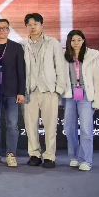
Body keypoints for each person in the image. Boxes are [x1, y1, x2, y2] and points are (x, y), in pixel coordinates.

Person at [22, 13, 67, 169]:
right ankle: (34, 154)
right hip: (29, 91)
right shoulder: (22, 45)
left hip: (49, 90)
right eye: (29, 24)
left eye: (35, 24)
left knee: (50, 125)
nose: (32, 27)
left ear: (42, 25)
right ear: (26, 27)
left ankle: (49, 156)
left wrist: (58, 89)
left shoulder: (53, 43)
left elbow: (60, 66)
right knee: (30, 125)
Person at [61, 30, 99, 171]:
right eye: (73, 40)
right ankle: (73, 157)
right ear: (69, 42)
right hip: (70, 94)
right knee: (69, 128)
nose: (76, 43)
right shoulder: (64, 56)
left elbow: (98, 79)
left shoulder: (92, 56)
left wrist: (98, 100)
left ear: (84, 40)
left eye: (79, 40)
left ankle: (86, 160)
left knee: (86, 129)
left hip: (86, 93)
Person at [0, 18, 26, 167]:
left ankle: (11, 154)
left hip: (12, 91)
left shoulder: (16, 47)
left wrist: (21, 91)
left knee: (12, 124)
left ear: (9, 30)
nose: (2, 30)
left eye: (5, 28)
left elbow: (21, 71)